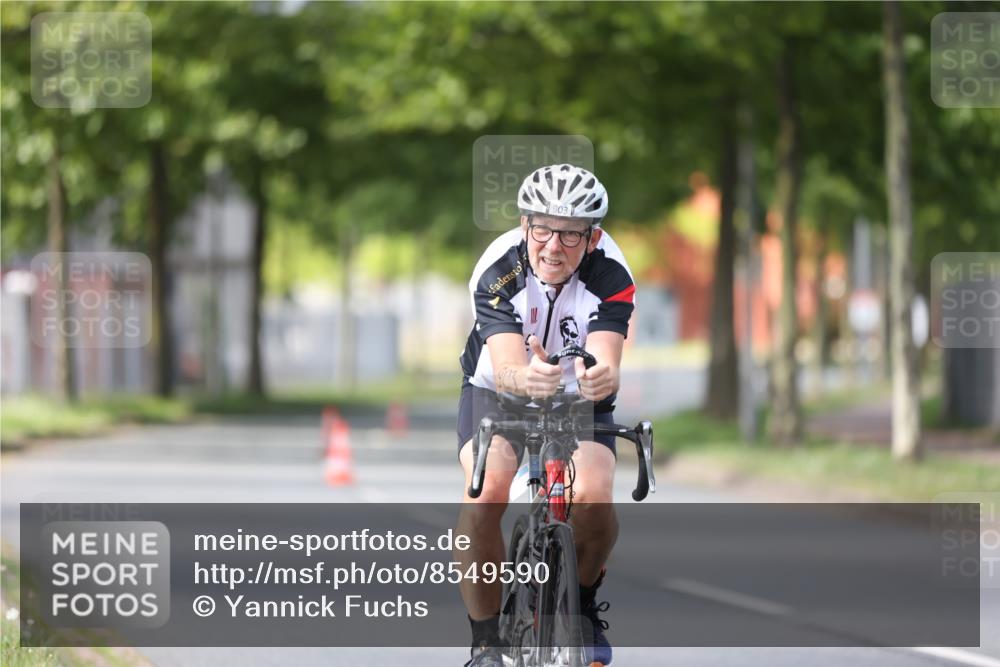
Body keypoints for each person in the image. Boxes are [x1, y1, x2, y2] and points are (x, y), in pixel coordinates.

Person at [455, 164, 635, 667]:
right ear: (523, 224)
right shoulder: (499, 268)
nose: (554, 247)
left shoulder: (611, 273)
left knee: (595, 495)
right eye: (542, 229)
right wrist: (526, 377)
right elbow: (508, 364)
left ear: (592, 236)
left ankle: (579, 606)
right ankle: (486, 642)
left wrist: (602, 376)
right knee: (486, 489)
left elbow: (607, 355)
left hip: (576, 397)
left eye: (572, 235)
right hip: (500, 390)